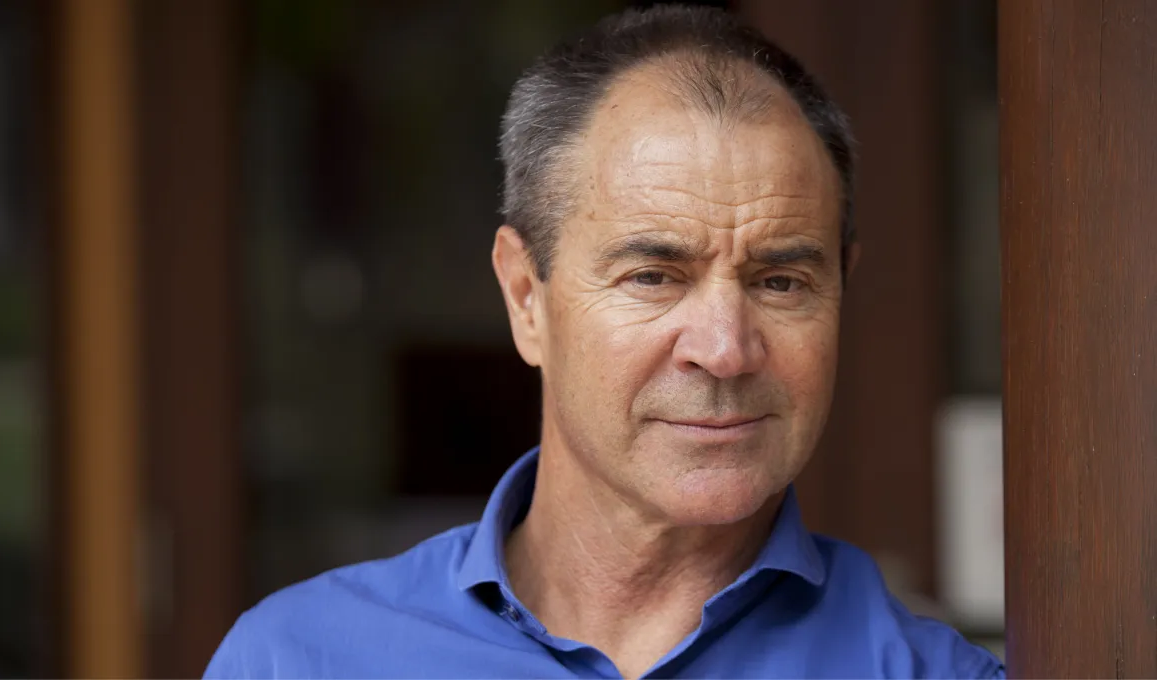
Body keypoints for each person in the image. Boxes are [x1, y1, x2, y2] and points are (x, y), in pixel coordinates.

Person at [205, 5, 1004, 678]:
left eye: (780, 282)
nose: (725, 349)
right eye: (653, 276)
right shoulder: (302, 661)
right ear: (527, 298)